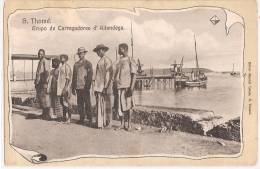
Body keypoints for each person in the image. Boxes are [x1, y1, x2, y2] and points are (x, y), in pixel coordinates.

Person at [114, 43, 137, 131]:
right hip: (119, 86)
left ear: (124, 49)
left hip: (127, 86)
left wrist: (131, 88)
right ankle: (122, 124)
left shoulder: (130, 60)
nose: (119, 50)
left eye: (120, 49)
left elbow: (134, 75)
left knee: (128, 106)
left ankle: (129, 124)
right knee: (120, 106)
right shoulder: (119, 60)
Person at [93, 44, 113, 129]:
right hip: (99, 85)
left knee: (106, 104)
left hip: (104, 85)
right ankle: (100, 123)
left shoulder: (107, 60)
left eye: (99, 51)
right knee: (100, 104)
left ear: (103, 51)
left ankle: (108, 122)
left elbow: (108, 74)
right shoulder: (100, 60)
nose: (97, 52)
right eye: (97, 51)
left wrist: (106, 86)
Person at [72, 47, 93, 124]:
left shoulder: (88, 63)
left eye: (82, 53)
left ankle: (90, 119)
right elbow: (74, 76)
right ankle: (81, 118)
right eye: (79, 53)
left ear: (84, 53)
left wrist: (87, 87)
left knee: (87, 103)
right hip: (78, 87)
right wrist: (73, 87)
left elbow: (90, 76)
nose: (81, 54)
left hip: (85, 87)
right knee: (80, 104)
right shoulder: (76, 64)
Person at [34, 49, 51, 120]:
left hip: (43, 82)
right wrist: (36, 82)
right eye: (39, 54)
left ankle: (47, 115)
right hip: (39, 82)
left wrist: (45, 82)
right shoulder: (40, 61)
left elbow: (47, 72)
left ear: (44, 54)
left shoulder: (45, 61)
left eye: (41, 54)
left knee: (45, 98)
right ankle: (44, 114)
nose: (40, 55)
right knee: (41, 98)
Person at [58, 54, 72, 123]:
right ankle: (64, 117)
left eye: (62, 58)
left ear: (66, 59)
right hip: (61, 88)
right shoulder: (61, 67)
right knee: (62, 103)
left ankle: (69, 118)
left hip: (66, 88)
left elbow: (68, 78)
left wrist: (65, 88)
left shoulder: (67, 67)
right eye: (60, 58)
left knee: (67, 103)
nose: (61, 59)